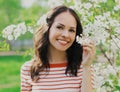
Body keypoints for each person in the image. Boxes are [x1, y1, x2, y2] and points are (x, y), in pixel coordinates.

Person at [21, 5, 96, 92]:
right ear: (48, 28)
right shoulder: (28, 69)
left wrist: (86, 67)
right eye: (60, 27)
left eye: (71, 30)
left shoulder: (83, 68)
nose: (66, 35)